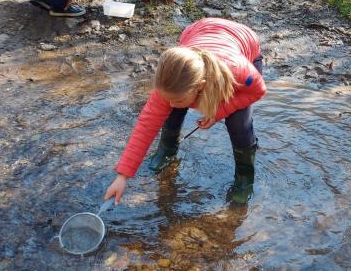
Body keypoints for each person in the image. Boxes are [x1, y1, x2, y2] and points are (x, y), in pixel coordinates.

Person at [104, 18, 266, 205]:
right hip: (197, 32)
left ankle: (245, 179)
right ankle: (166, 151)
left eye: (178, 99)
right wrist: (122, 176)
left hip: (242, 44)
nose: (171, 103)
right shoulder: (170, 83)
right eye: (167, 98)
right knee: (171, 110)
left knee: (239, 124)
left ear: (200, 86)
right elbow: (146, 125)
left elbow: (258, 91)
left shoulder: (239, 72)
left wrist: (218, 112)